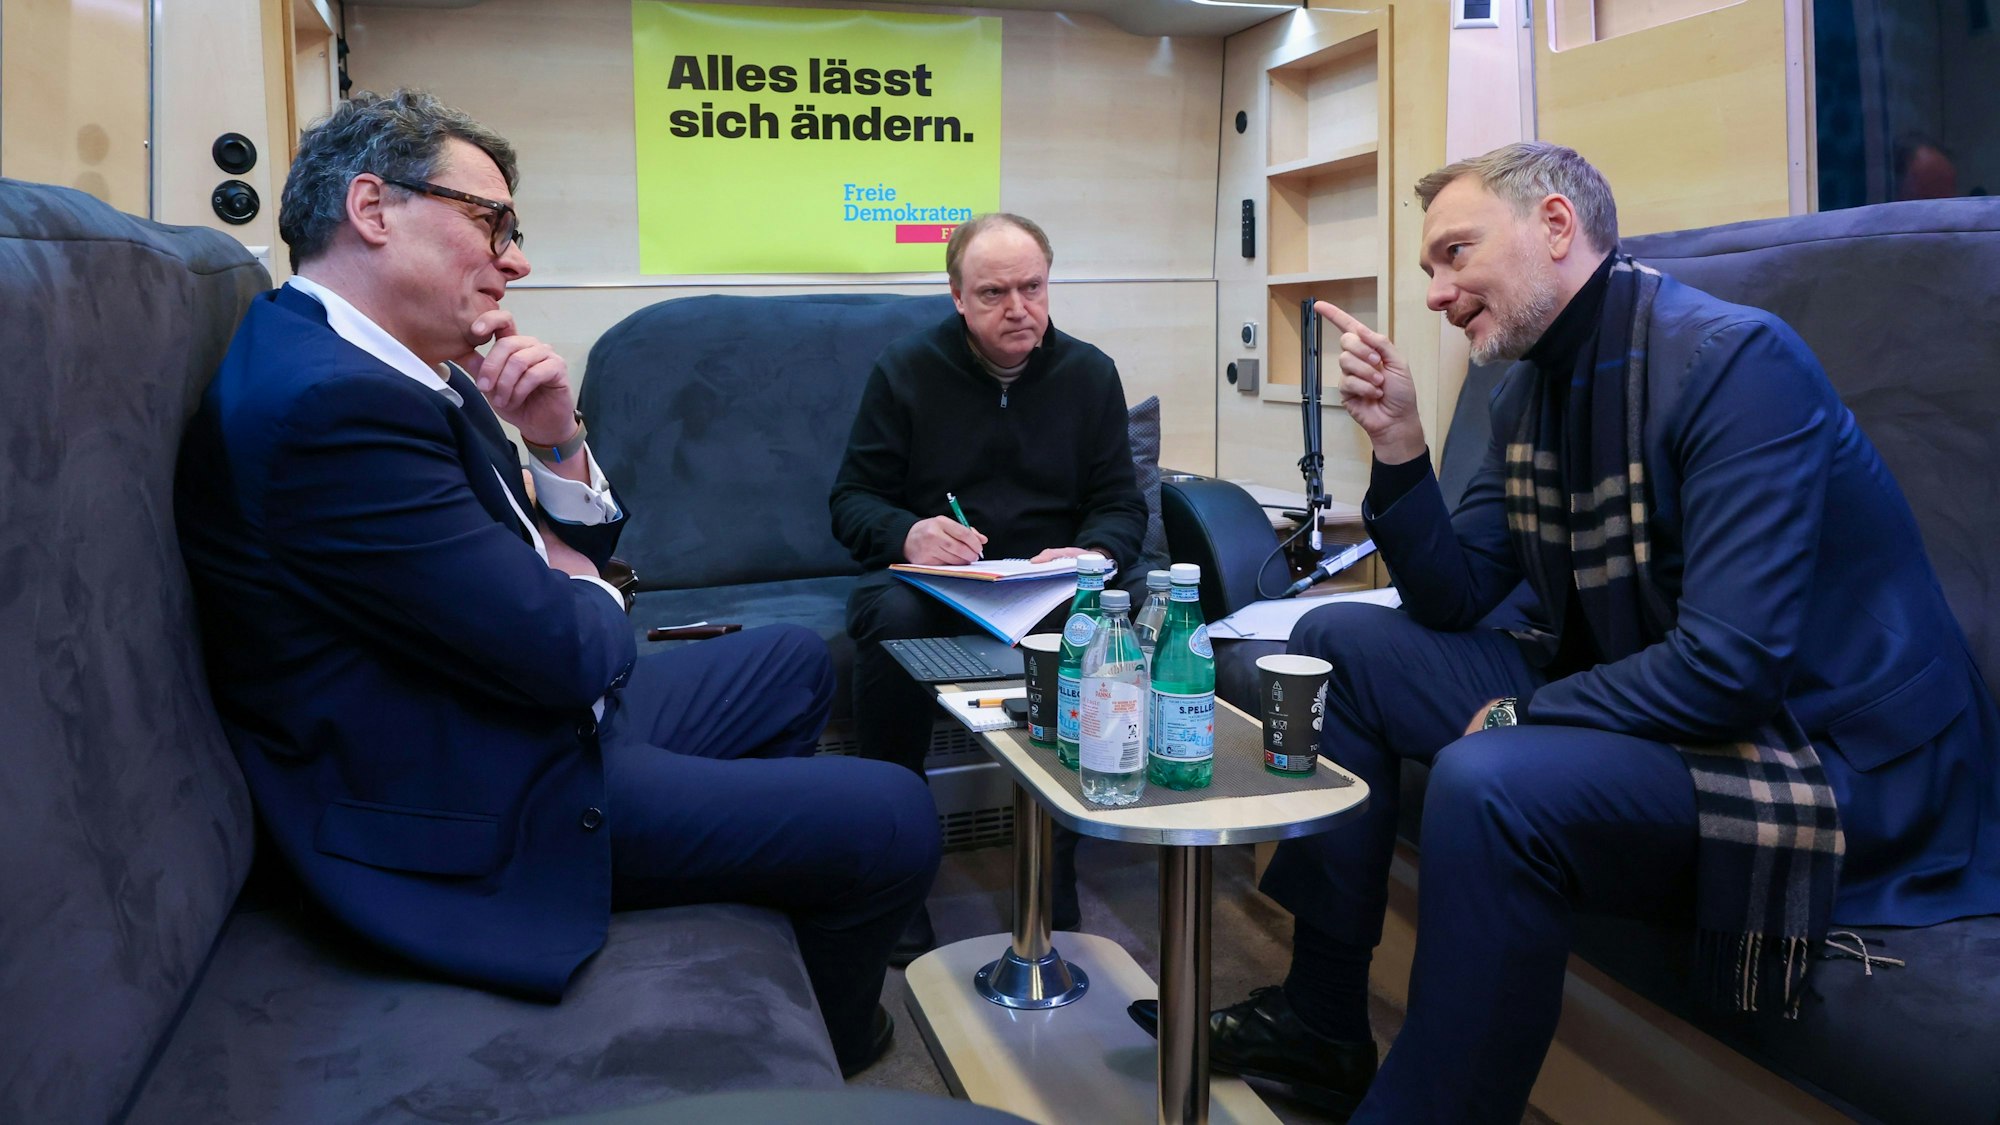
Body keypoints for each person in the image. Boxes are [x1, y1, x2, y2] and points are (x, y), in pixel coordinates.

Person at [1133, 142, 2000, 1121]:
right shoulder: (1529, 391)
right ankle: (1321, 1017)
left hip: (1823, 752)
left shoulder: (1734, 365)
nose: (1433, 292)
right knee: (1338, 643)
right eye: (1427, 267)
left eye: (1454, 254)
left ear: (1553, 227)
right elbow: (1454, 599)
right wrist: (1399, 450)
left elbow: (1728, 668)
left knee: (1487, 782)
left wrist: (1521, 712)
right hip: (1652, 689)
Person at [175, 89, 939, 1077]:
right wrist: (595, 592)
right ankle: (844, 1047)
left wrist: (556, 442)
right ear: (371, 209)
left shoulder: (391, 363)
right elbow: (562, 640)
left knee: (791, 662)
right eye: (490, 222)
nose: (517, 258)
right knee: (892, 815)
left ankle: (733, 857)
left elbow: (543, 558)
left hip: (521, 713)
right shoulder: (329, 405)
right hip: (473, 788)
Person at [830, 213, 1153, 959]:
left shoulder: (1088, 372)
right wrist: (908, 531)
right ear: (957, 298)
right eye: (994, 292)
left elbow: (1120, 502)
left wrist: (1094, 548)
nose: (1018, 308)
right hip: (938, 584)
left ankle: (1056, 879)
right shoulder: (905, 370)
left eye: (1032, 287)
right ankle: (895, 873)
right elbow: (851, 501)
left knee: (1097, 615)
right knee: (890, 615)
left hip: (1046, 582)